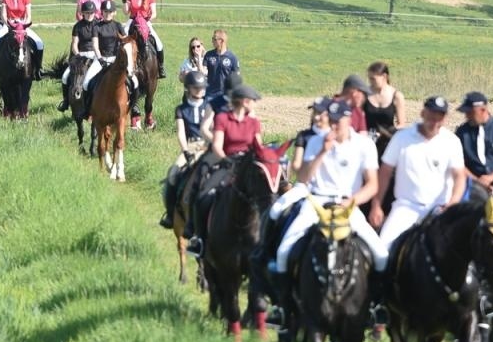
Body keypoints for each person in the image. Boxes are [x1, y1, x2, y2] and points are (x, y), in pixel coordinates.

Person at [272, 99, 385, 283]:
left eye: (337, 121)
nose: (333, 125)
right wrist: (322, 151)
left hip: (347, 204)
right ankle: (283, 304)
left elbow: (372, 185)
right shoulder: (316, 141)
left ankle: (375, 304)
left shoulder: (364, 145)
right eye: (331, 120)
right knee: (284, 251)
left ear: (348, 119)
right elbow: (303, 178)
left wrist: (351, 201)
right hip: (316, 202)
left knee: (380, 255)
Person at [186, 77, 268, 256]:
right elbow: (213, 141)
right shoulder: (221, 114)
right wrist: (227, 159)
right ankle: (198, 237)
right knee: (204, 192)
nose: (254, 104)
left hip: (246, 162)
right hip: (225, 158)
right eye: (252, 100)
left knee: (267, 193)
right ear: (243, 100)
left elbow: (258, 146)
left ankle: (265, 242)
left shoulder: (253, 121)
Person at [373, 95, 467, 247]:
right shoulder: (402, 138)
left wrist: (452, 203)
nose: (434, 123)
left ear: (445, 119)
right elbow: (385, 171)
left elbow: (459, 176)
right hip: (406, 208)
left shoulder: (452, 142)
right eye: (431, 117)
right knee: (382, 251)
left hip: (439, 209)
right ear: (423, 113)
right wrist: (376, 205)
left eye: (439, 118)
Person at [159, 71, 216, 230]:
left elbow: (213, 129)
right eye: (196, 88)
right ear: (188, 88)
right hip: (190, 146)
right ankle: (170, 214)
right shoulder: (181, 109)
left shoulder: (210, 107)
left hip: (208, 146)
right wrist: (185, 150)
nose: (200, 90)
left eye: (202, 87)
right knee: (173, 174)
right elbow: (180, 133)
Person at [58, 0, 104, 111]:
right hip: (81, 55)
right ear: (82, 13)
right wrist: (78, 56)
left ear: (95, 13)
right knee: (65, 77)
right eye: (86, 13)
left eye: (91, 13)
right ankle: (66, 101)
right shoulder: (77, 26)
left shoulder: (99, 25)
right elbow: (74, 44)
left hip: (95, 55)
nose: (89, 15)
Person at [122, 0, 165, 77]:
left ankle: (161, 66)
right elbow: (125, 12)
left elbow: (154, 13)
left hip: (145, 22)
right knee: (122, 38)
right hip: (132, 21)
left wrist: (147, 20)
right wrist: (124, 2)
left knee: (159, 43)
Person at [364, 62, 407, 142]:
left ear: (384, 76)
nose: (370, 82)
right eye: (369, 78)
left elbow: (402, 125)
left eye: (373, 79)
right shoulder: (364, 95)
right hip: (367, 141)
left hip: (389, 141)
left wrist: (385, 134)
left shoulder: (397, 96)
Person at [202, 30, 240, 109]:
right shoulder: (209, 55)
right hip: (210, 93)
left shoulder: (232, 57)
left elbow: (236, 76)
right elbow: (204, 71)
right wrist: (199, 59)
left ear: (221, 41)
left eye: (214, 39)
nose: (212, 41)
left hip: (225, 95)